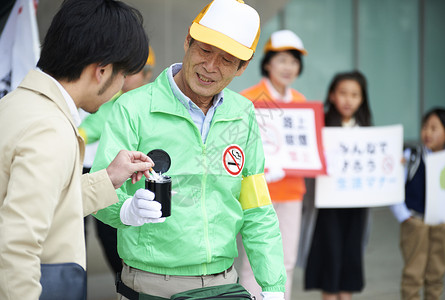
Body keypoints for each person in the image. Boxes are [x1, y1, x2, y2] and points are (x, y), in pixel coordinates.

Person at [90, 0, 287, 299]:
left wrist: (273, 286)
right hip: (152, 286)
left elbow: (257, 208)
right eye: (204, 50)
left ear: (242, 67)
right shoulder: (134, 109)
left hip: (224, 284)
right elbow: (99, 190)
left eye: (226, 59)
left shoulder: (242, 113)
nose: (209, 67)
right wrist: (126, 210)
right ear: (187, 41)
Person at [0, 0, 153, 299]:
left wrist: (108, 178)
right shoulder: (50, 128)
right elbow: (17, 245)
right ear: (103, 70)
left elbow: (50, 204)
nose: (121, 87)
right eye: (123, 76)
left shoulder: (16, 105)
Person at [238, 29, 308, 300]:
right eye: (282, 60)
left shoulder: (302, 103)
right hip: (257, 192)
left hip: (292, 191)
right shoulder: (248, 98)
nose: (288, 67)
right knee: (253, 262)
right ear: (267, 63)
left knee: (287, 261)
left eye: (293, 61)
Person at [79, 46, 156, 276]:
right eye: (123, 70)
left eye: (132, 72)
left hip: (140, 184)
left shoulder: (154, 103)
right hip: (107, 180)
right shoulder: (114, 101)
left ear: (147, 74)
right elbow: (90, 128)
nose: (124, 77)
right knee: (106, 240)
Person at [304, 71, 372, 300]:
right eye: (343, 93)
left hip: (357, 206)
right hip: (328, 206)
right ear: (332, 95)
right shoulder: (320, 125)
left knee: (352, 256)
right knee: (330, 258)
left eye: (354, 94)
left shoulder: (366, 130)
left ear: (362, 99)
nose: (348, 99)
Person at [390, 108, 445, 300]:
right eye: (425, 127)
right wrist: (404, 216)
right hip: (415, 222)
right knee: (413, 274)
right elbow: (395, 187)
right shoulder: (412, 156)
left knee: (436, 272)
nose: (427, 132)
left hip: (441, 224)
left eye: (434, 128)